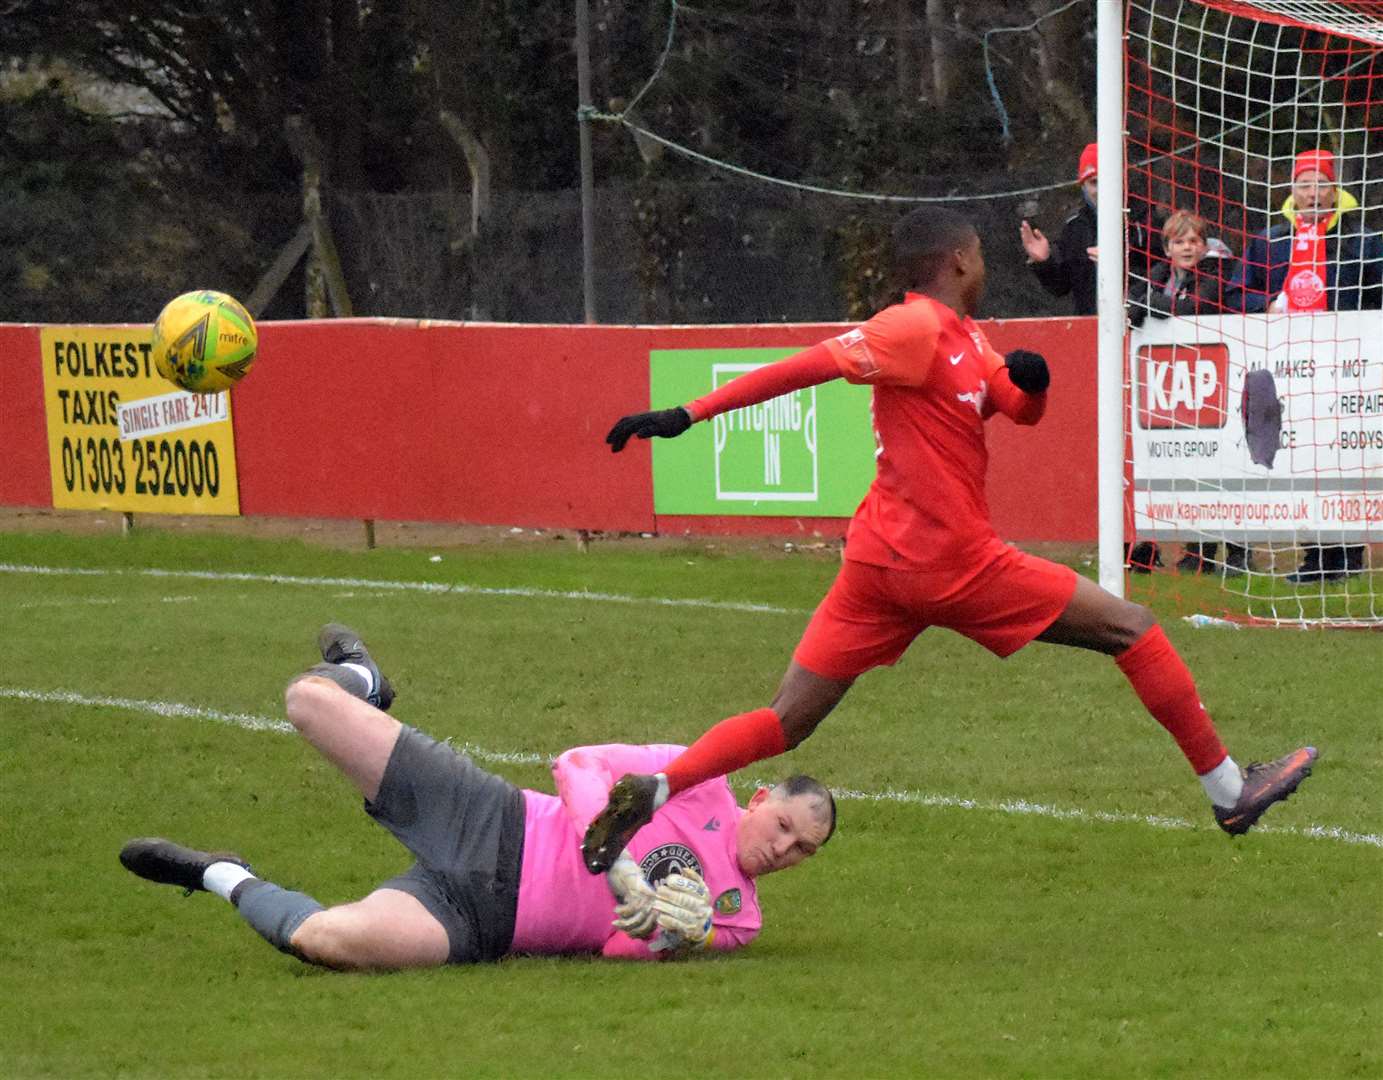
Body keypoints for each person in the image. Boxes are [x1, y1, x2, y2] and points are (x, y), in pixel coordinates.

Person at [582, 206, 1316, 877]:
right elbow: (803, 366)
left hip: (877, 566)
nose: (988, 267)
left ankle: (657, 788)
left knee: (787, 719)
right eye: (981, 256)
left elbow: (1015, 409)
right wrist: (690, 412)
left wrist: (1032, 384)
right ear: (960, 260)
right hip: (952, 562)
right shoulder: (912, 329)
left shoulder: (967, 339)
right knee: (1132, 629)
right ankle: (1227, 790)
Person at [119, 624, 834, 970]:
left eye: (801, 848)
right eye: (783, 825)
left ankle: (218, 874)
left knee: (328, 943)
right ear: (761, 794)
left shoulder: (737, 920)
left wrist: (664, 933)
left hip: (481, 923)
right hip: (494, 823)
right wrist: (606, 845)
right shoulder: (698, 776)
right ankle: (364, 680)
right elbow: (577, 762)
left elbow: (616, 952)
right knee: (306, 702)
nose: (783, 848)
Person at [1229, 148, 1382, 584]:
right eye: (1304, 184)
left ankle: (1347, 553)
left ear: (1336, 191)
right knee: (1303, 457)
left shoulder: (1362, 239)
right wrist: (1269, 303)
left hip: (1350, 365)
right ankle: (1314, 553)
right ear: (1291, 191)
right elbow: (1237, 292)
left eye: (1321, 184)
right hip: (1289, 369)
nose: (1313, 193)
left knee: (1343, 456)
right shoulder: (1271, 240)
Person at [1024, 142, 1160, 571]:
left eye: (1108, 180)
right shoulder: (1075, 228)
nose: (1102, 189)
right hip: (1094, 340)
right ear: (1083, 185)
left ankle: (1150, 540)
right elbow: (1062, 285)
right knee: (1106, 442)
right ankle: (1117, 539)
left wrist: (1120, 267)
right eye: (1094, 182)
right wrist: (1044, 262)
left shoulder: (1146, 220)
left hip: (1144, 335)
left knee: (1145, 438)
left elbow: (1166, 270)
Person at [1128, 210, 1249, 576]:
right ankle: (1198, 551)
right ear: (1166, 248)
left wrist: (1151, 307)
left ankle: (1238, 552)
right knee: (1189, 466)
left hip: (1219, 374)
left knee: (1226, 465)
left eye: (1193, 241)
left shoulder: (1214, 274)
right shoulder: (1159, 275)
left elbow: (1195, 307)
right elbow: (1134, 298)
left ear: (1205, 245)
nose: (1186, 247)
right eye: (1178, 242)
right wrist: (1149, 305)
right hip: (1177, 381)